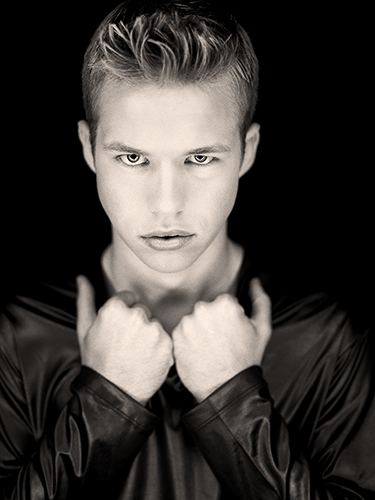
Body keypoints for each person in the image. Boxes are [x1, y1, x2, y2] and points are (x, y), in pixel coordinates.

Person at [1, 1, 374, 498]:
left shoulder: (326, 340)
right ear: (89, 149)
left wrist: (234, 399)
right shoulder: (20, 339)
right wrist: (105, 403)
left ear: (248, 151)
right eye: (133, 158)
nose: (167, 204)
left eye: (199, 158)